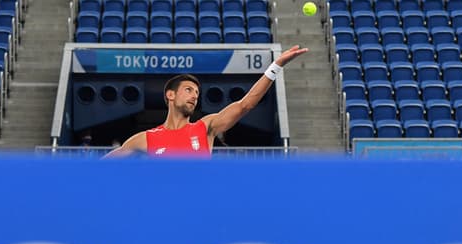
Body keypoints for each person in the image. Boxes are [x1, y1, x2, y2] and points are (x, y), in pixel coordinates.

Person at [103, 45, 308, 159]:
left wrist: (276, 66)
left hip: (201, 216)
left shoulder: (205, 127)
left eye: (197, 92)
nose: (194, 95)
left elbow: (245, 104)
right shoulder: (144, 139)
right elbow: (99, 169)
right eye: (188, 90)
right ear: (170, 95)